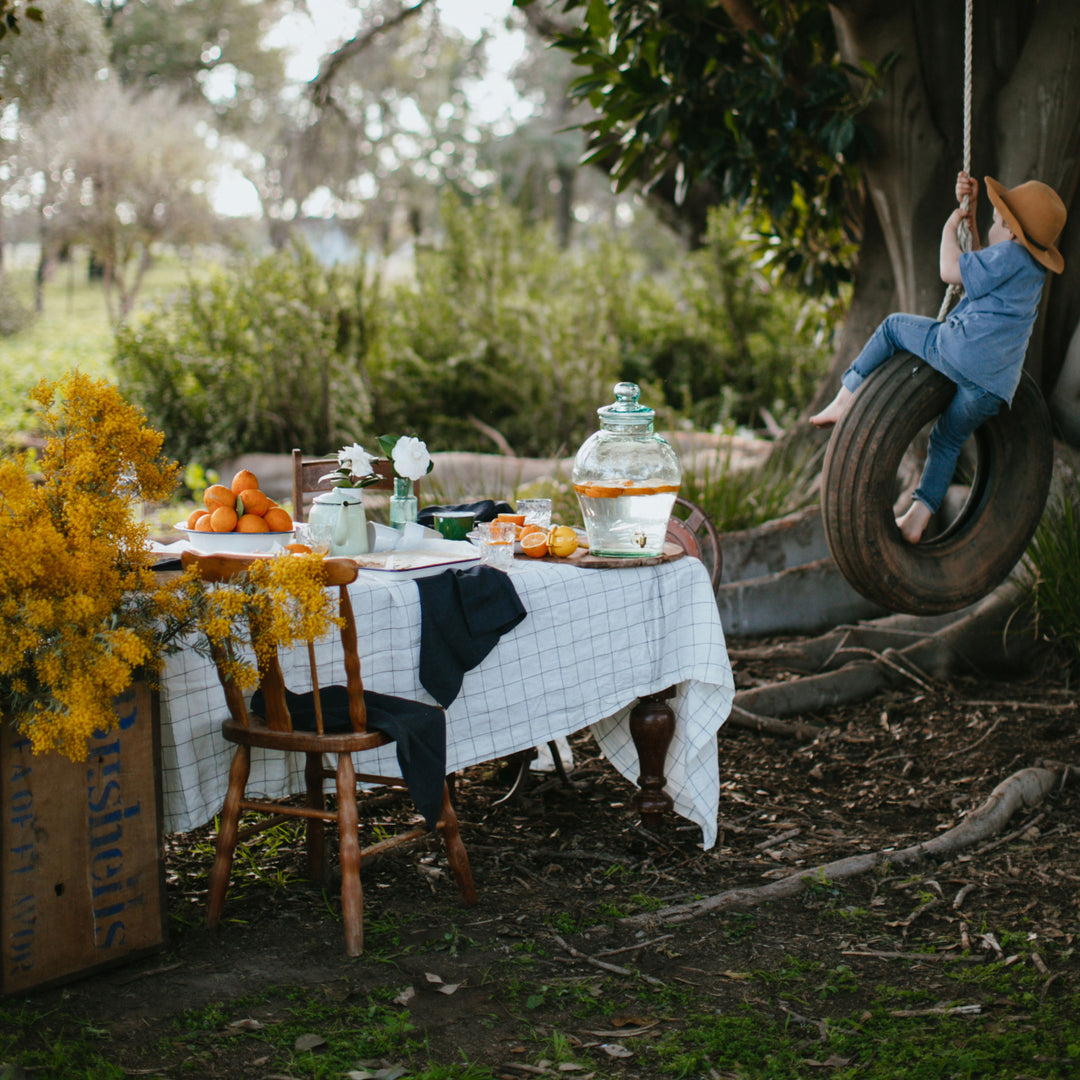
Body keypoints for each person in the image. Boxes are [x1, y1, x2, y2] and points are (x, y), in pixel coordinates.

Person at [810, 171, 1066, 543]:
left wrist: (951, 227)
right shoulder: (1030, 268)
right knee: (946, 439)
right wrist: (975, 213)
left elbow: (953, 271)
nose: (993, 230)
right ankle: (918, 517)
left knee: (893, 326)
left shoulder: (1009, 253)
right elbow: (980, 270)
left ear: (1012, 233)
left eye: (997, 223)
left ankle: (846, 394)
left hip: (962, 353)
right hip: (994, 387)